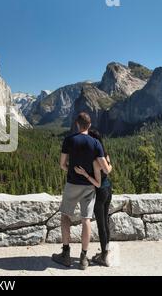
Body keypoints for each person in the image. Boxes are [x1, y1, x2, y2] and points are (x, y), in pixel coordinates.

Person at [52, 112, 112, 270]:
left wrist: (71, 171)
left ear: (77, 124)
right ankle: (84, 258)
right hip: (89, 187)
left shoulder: (69, 140)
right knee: (86, 219)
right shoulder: (95, 143)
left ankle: (65, 254)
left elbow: (62, 164)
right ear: (89, 125)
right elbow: (104, 167)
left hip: (72, 184)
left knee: (65, 216)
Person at [74, 129, 113, 267]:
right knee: (106, 222)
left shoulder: (96, 161)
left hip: (101, 193)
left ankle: (103, 257)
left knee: (101, 225)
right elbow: (109, 169)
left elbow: (97, 183)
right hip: (109, 190)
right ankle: (105, 251)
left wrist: (85, 174)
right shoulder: (105, 154)